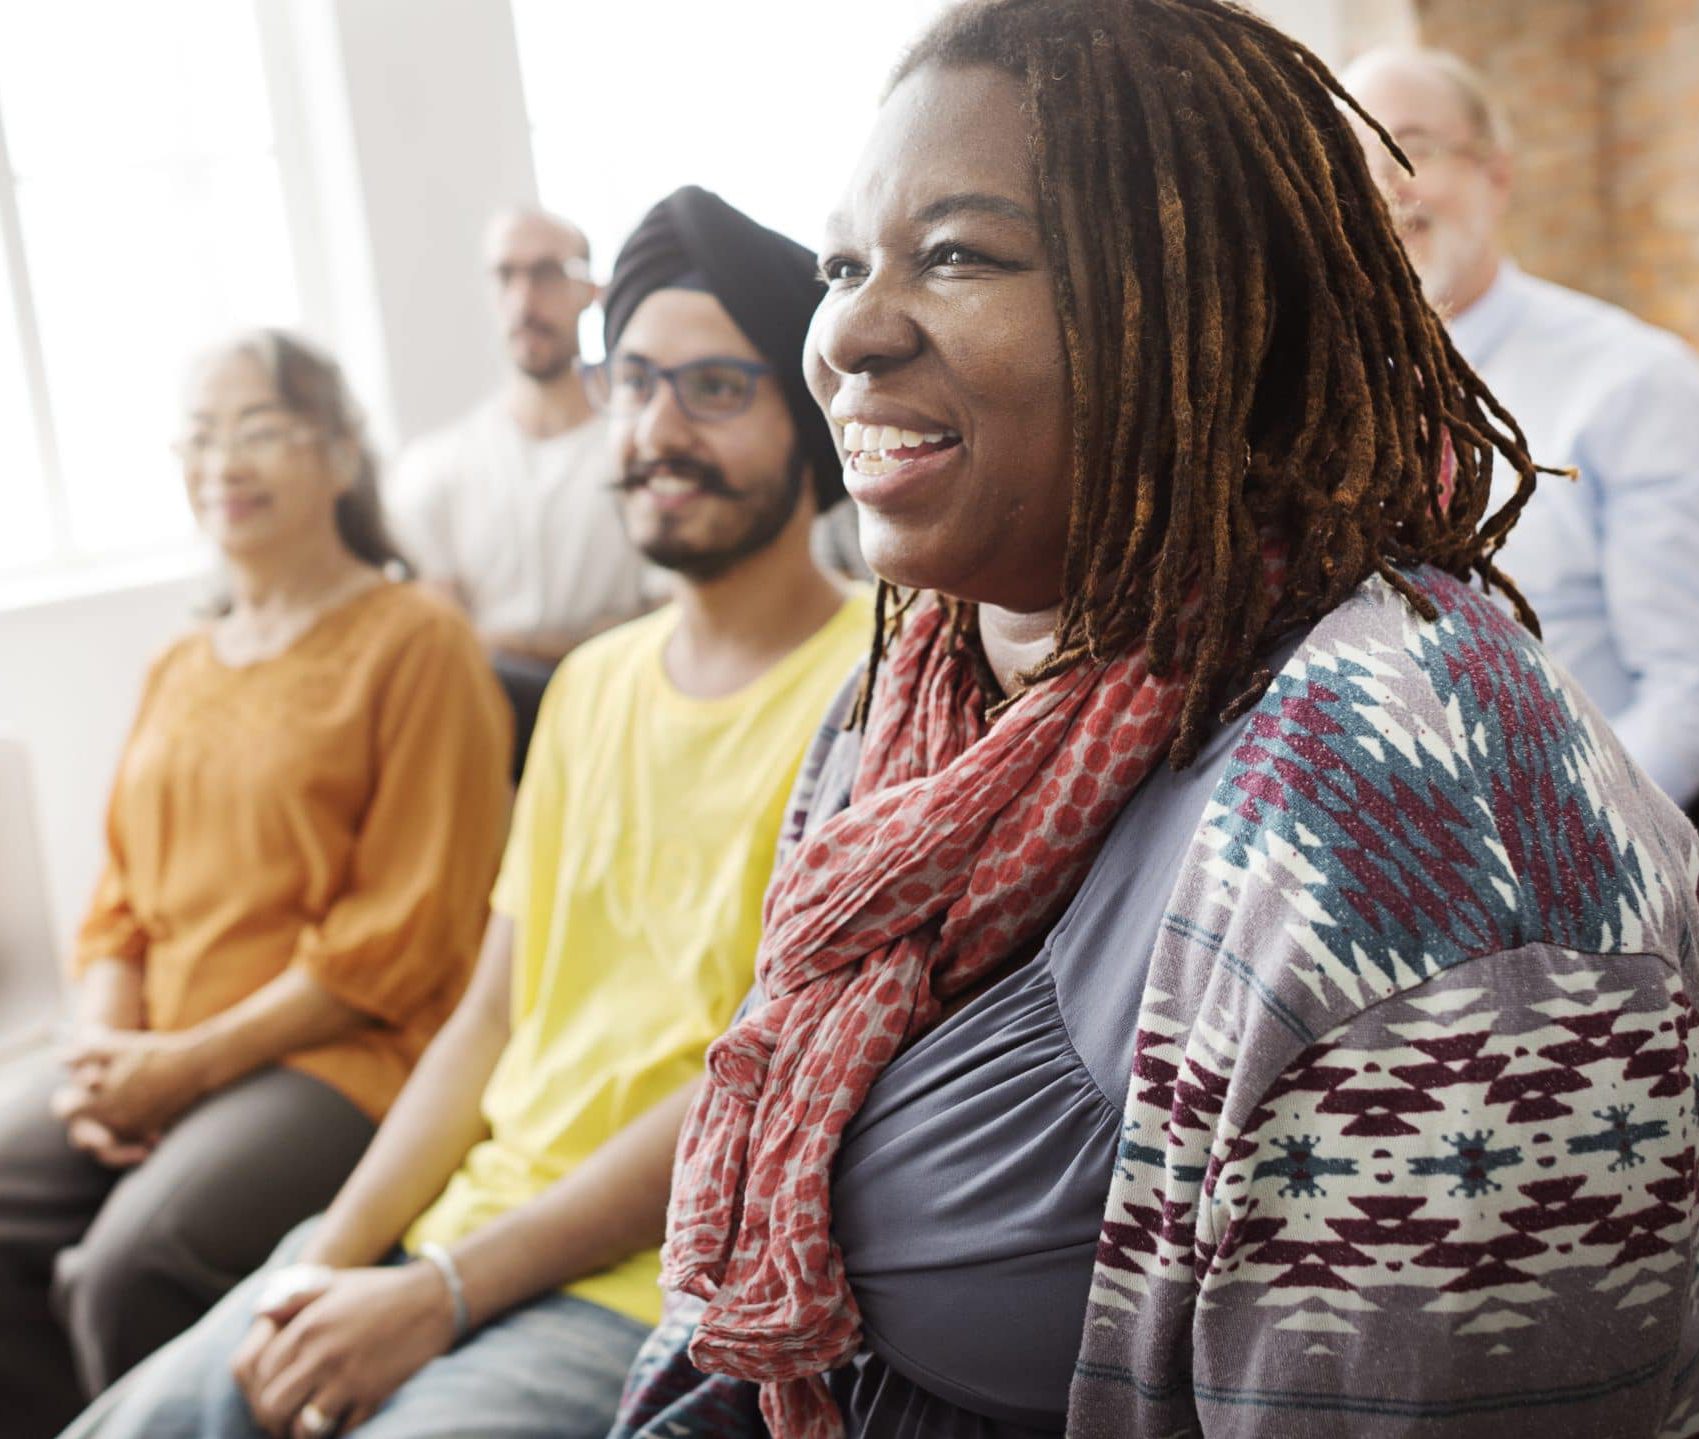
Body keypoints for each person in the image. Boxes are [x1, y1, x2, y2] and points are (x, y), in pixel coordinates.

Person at [606, 3, 1699, 1437]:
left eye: (955, 254)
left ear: (1206, 308)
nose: (850, 333)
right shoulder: (929, 676)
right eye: (840, 265)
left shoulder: (1414, 830)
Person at [62, 187, 872, 1439]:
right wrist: (327, 1262)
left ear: (806, 423)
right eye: (636, 380)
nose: (658, 426)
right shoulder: (592, 686)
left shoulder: (876, 690)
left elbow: (754, 1085)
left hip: (630, 1287)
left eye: (716, 387)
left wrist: (442, 1295)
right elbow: (490, 1016)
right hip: (455, 1218)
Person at [0, 330, 511, 1439]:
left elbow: (404, 934)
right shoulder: (180, 662)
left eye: (257, 429)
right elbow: (122, 902)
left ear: (338, 455)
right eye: (198, 434)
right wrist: (103, 1054)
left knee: (130, 1263)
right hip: (163, 1047)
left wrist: (177, 1068)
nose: (221, 460)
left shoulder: (417, 641)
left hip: (342, 1052)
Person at [1341, 47, 1699, 811]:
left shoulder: (1632, 380)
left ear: (1495, 174)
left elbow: (1685, 688)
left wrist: (1574, 842)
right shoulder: (1323, 405)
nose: (1384, 183)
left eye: (1413, 147)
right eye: (1356, 159)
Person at [386, 208, 653, 774]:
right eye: (505, 275)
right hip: (492, 750)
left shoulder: (647, 451)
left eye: (547, 273)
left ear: (590, 291)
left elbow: (672, 624)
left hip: (628, 731)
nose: (524, 298)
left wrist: (499, 644)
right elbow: (447, 649)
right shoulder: (435, 470)